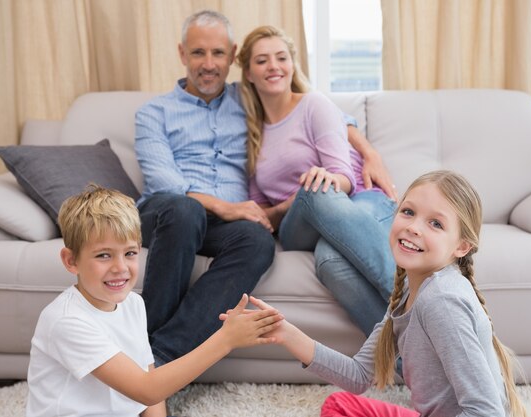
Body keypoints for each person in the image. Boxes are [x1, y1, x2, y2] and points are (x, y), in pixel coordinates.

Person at [134, 9, 397, 364]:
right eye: (198, 53)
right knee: (186, 210)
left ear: (231, 56)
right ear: (183, 54)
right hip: (168, 213)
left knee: (258, 241)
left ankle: (163, 357)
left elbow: (318, 110)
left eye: (217, 53)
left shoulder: (247, 97)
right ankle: (139, 346)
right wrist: (228, 208)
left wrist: (369, 152)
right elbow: (164, 182)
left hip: (228, 226)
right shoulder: (154, 112)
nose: (208, 64)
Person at [228, 170, 528, 417]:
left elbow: (486, 412)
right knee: (339, 405)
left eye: (435, 223)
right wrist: (286, 333)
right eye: (408, 212)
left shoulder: (442, 301)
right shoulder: (411, 290)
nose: (414, 228)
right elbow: (358, 376)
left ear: (461, 246)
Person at [26, 184, 283, 417]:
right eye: (104, 255)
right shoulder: (66, 320)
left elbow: (151, 387)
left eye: (129, 253)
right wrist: (225, 339)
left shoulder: (134, 305)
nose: (120, 267)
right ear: (71, 261)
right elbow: (147, 390)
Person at [236, 25, 398, 335]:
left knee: (331, 263)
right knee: (315, 191)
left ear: (292, 64)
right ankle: (420, 304)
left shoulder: (314, 104)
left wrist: (324, 181)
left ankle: (408, 362)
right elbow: (262, 213)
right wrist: (295, 199)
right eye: (262, 60)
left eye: (281, 57)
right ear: (248, 73)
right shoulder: (252, 134)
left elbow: (346, 179)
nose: (273, 66)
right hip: (300, 225)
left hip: (361, 201)